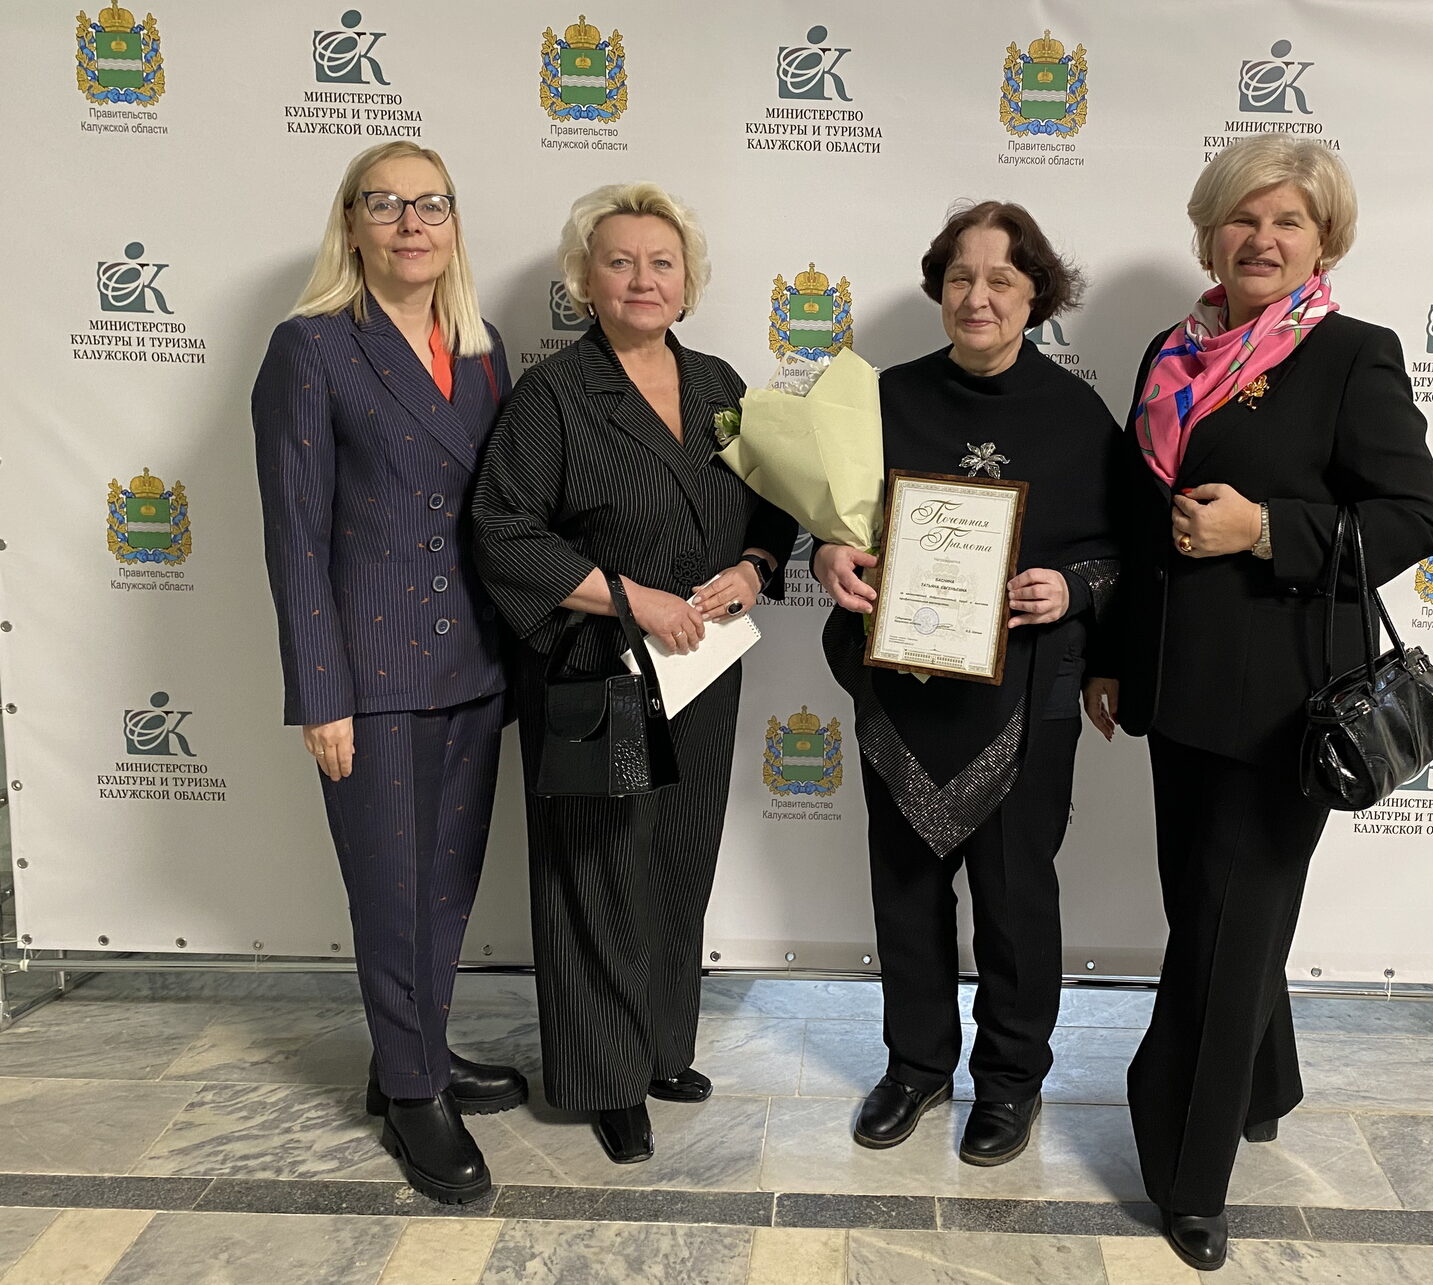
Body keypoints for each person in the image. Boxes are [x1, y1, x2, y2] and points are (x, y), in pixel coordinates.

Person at [1082, 134, 1433, 1270]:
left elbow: (1415, 517)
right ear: (1210, 234)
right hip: (1175, 691)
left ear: (1323, 241)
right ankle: (1264, 1083)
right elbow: (1136, 525)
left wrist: (1268, 529)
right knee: (1215, 913)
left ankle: (1189, 1175)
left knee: (1226, 929)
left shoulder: (1354, 355)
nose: (1262, 238)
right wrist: (1111, 656)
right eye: (1243, 217)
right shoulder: (1171, 352)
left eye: (1289, 221)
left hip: (1287, 707)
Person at [470, 181, 795, 1165]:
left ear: (688, 281)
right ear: (584, 280)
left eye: (662, 262)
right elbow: (503, 531)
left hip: (703, 664)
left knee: (678, 860)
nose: (643, 279)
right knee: (598, 871)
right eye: (620, 261)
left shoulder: (721, 386)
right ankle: (605, 1077)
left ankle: (659, 1047)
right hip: (594, 672)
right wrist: (625, 595)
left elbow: (774, 506)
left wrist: (755, 567)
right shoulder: (554, 396)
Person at [814, 201, 1121, 1168]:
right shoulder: (883, 398)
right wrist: (826, 553)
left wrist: (1072, 585)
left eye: (1000, 279)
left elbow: (1124, 551)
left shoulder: (1077, 413)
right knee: (905, 891)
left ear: (1037, 296)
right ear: (938, 288)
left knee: (1015, 899)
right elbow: (829, 520)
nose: (977, 296)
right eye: (959, 277)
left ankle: (1011, 1080)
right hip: (905, 690)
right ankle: (915, 1067)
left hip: (1027, 695)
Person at [252, 141, 524, 1205]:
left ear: (454, 224)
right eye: (387, 204)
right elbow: (295, 536)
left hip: (473, 664)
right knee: (390, 893)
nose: (412, 223)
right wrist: (321, 691)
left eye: (432, 204)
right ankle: (414, 1098)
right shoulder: (311, 348)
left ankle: (412, 1051)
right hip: (372, 673)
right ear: (352, 224)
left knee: (446, 884)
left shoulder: (482, 347)